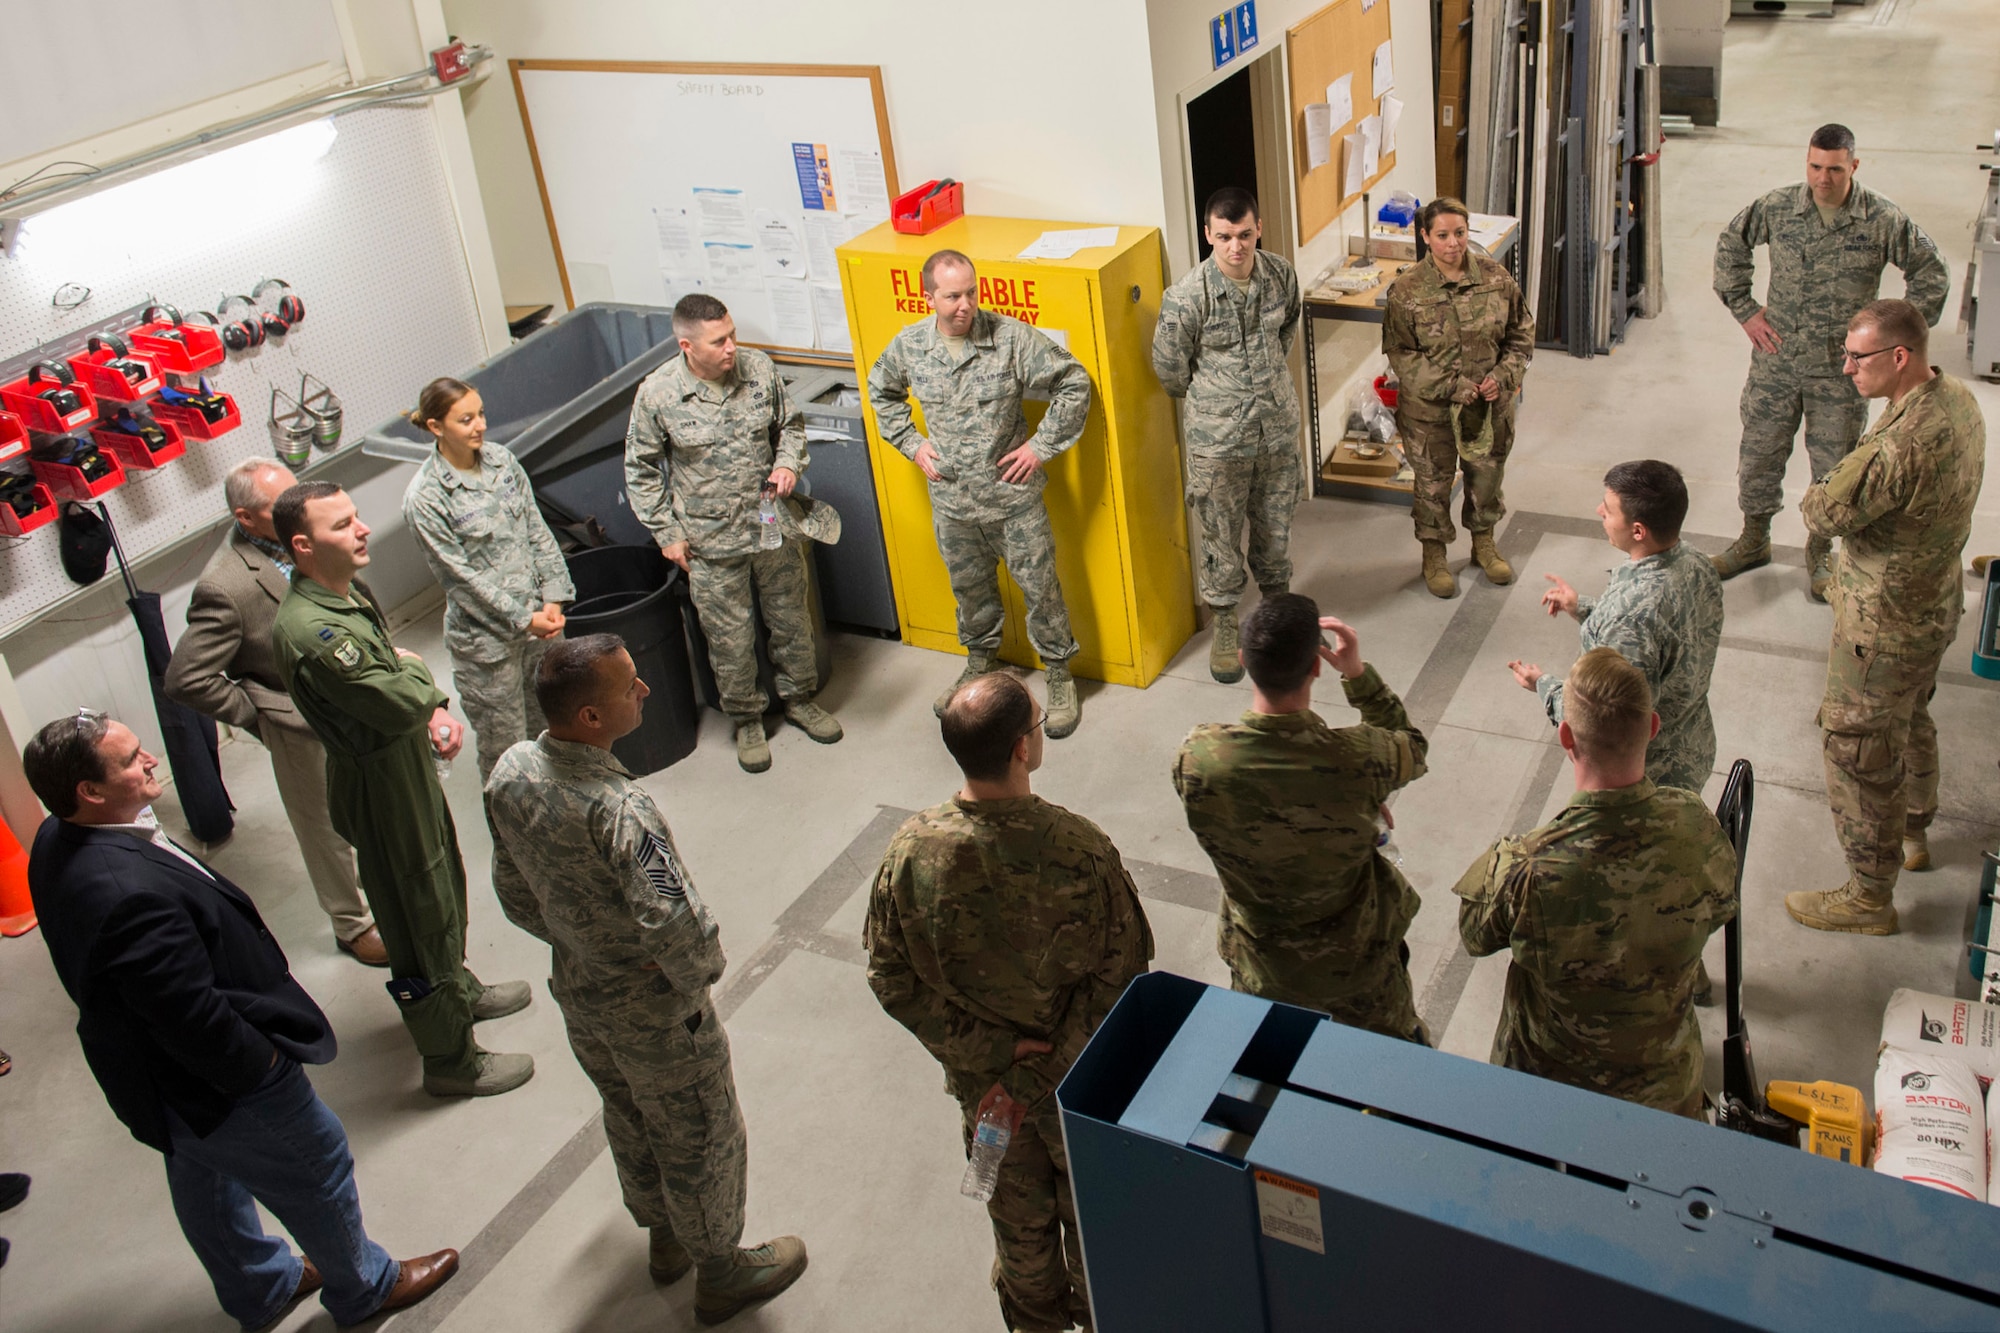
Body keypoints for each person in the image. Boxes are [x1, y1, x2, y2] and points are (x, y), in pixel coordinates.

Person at [22, 710, 459, 1327]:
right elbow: (191, 1017)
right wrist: (266, 1066)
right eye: (131, 761)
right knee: (318, 1162)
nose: (151, 762)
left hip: (152, 1079)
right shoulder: (125, 893)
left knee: (205, 1175)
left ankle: (261, 1285)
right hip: (218, 1080)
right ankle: (365, 1287)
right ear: (88, 792)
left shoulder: (58, 836)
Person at [484, 634, 809, 1324]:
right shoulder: (620, 810)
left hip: (580, 990)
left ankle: (665, 1235)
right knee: (699, 1130)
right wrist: (691, 976)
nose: (646, 689)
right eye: (629, 683)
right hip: (655, 1011)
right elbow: (681, 927)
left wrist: (581, 943)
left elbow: (514, 891)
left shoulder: (511, 771)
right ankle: (719, 1268)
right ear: (590, 719)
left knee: (629, 1114)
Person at [865, 672, 1153, 1332]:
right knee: (1098, 1229)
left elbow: (890, 975)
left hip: (989, 1098)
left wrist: (993, 1059)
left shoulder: (910, 853)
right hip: (1080, 1093)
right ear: (1023, 749)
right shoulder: (1080, 851)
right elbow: (1122, 980)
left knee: (1020, 1240)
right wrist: (1039, 1074)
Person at [269, 481, 535, 1097]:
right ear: (304, 546)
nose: (362, 530)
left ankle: (457, 987)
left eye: (357, 517)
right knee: (414, 911)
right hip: (377, 779)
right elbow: (395, 691)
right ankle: (450, 1061)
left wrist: (424, 693)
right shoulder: (312, 632)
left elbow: (397, 669)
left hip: (401, 763)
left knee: (441, 883)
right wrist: (420, 681)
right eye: (342, 526)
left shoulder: (344, 596)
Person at [1454, 648, 1737, 1118]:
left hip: (1553, 1104)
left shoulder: (1530, 866)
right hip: (1668, 1095)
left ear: (1565, 736)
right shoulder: (1698, 828)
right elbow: (1722, 906)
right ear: (1652, 727)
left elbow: (1474, 935)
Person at [1787, 299, 1985, 933]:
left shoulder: (1896, 447)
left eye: (1857, 357)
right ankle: (1914, 831)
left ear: (1900, 357)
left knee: (1858, 748)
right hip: (1933, 605)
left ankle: (1869, 896)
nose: (1847, 369)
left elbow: (1823, 512)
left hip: (1883, 625)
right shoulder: (1956, 399)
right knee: (1910, 715)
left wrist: (1824, 488)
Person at [1172, 594, 1429, 1040]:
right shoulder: (1360, 759)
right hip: (1358, 976)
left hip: (1262, 974)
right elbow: (1411, 746)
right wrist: (1357, 674)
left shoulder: (1199, 759)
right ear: (1315, 667)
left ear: (1243, 662)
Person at [1711, 123, 1950, 598]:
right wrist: (1745, 310)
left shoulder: (1881, 218)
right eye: (1815, 166)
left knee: (1835, 468)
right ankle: (1754, 539)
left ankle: (1819, 555)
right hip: (1776, 362)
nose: (1823, 178)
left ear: (1853, 167)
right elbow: (1731, 243)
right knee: (1760, 454)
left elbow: (1931, 271)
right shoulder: (1778, 207)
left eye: (1835, 169)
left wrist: (1890, 340)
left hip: (1843, 374)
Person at [165, 458, 385, 967]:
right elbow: (185, 678)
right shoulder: (227, 585)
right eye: (279, 504)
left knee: (376, 805)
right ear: (246, 518)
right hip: (300, 725)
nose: (296, 506)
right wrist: (259, 713)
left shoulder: (312, 538)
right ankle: (354, 925)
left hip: (361, 703)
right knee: (326, 828)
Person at [868, 249, 1094, 737]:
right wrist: (912, 444)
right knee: (970, 593)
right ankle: (979, 663)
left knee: (1041, 589)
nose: (965, 305)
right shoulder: (910, 347)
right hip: (953, 503)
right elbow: (880, 391)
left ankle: (1059, 673)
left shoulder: (1008, 338)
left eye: (971, 292)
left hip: (1013, 501)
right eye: (952, 296)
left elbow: (1073, 382)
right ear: (929, 296)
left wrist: (1040, 446)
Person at [625, 294, 840, 774]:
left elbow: (791, 426)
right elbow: (640, 470)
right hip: (709, 539)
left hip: (770, 525)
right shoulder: (658, 394)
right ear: (687, 345)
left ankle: (800, 698)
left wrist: (787, 464)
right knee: (729, 636)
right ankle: (747, 718)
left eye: (733, 334)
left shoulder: (758, 369)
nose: (731, 348)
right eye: (719, 341)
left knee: (790, 618)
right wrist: (667, 532)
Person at [1151, 187, 1305, 682]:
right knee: (1220, 537)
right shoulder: (1186, 297)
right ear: (1207, 235)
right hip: (1219, 445)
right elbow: (1170, 369)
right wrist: (1218, 401)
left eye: (1244, 235)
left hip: (1277, 433)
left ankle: (1279, 615)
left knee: (1275, 534)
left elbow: (1287, 332)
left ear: (1259, 228)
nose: (1235, 247)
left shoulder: (1280, 274)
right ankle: (1224, 622)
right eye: (1223, 237)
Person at [1508, 460, 1724, 795]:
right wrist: (1584, 608)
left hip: (1644, 779)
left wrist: (1542, 685)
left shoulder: (1629, 621)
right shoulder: (1695, 563)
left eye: (1608, 510)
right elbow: (1663, 630)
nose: (1599, 511)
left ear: (1638, 531)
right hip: (1692, 744)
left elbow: (1604, 721)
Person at [403, 377, 576, 780]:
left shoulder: (501, 461)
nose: (480, 425)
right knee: (508, 752)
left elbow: (536, 529)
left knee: (554, 731)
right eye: (465, 419)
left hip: (541, 627)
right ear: (436, 427)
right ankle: (514, 839)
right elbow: (460, 579)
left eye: (480, 414)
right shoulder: (427, 497)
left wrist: (553, 597)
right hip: (487, 644)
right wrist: (522, 618)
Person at [1382, 196, 1535, 599]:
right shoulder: (1407, 290)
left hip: (1487, 409)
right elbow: (1400, 353)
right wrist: (1451, 385)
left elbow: (1521, 334)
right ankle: (1433, 554)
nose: (1453, 243)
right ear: (1426, 237)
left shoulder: (1496, 278)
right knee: (1432, 483)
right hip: (1430, 414)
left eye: (1460, 234)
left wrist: (1503, 376)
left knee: (1486, 477)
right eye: (1443, 235)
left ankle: (1483, 543)